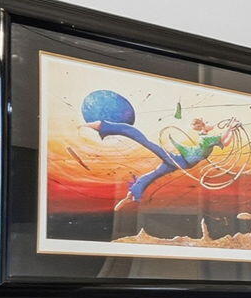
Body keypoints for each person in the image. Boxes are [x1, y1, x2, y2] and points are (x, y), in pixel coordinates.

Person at [80, 89, 235, 208]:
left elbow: (224, 140)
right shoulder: (208, 138)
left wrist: (231, 129)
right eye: (206, 122)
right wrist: (232, 129)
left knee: (152, 174)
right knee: (145, 141)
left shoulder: (207, 137)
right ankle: (104, 126)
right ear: (203, 126)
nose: (209, 123)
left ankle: (131, 195)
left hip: (180, 162)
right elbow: (225, 141)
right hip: (178, 160)